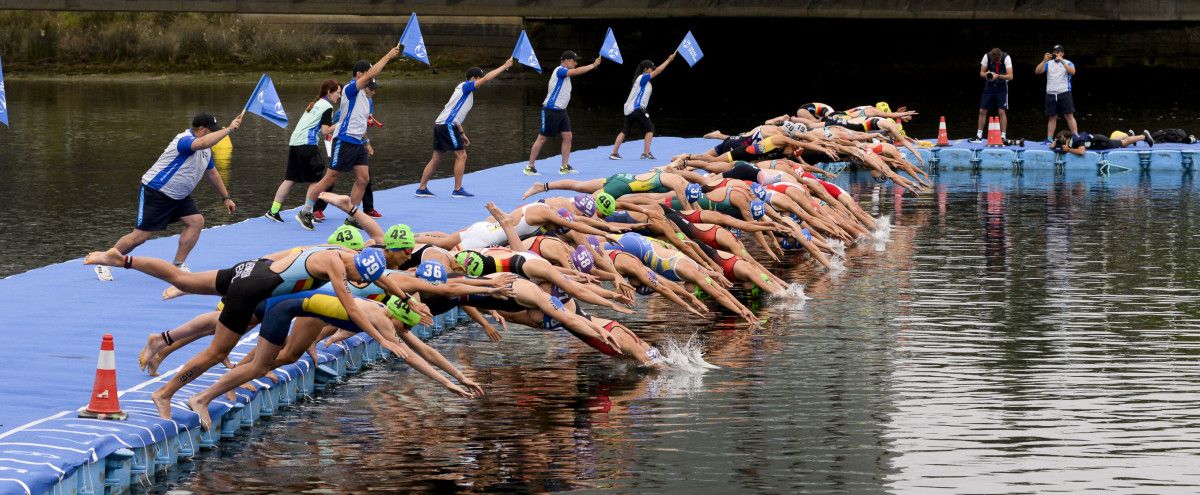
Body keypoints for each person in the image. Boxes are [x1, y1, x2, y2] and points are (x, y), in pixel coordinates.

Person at [92, 112, 241, 281]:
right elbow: (202, 143)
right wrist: (228, 129)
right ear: (200, 129)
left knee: (196, 221)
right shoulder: (184, 141)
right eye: (211, 130)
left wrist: (226, 197)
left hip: (180, 196)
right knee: (139, 237)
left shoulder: (206, 150)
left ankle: (178, 265)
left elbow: (213, 173)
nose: (214, 134)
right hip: (156, 192)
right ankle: (104, 261)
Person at [297, 47, 400, 230]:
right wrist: (388, 56)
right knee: (329, 178)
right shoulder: (351, 89)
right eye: (368, 79)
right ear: (359, 74)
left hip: (358, 142)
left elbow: (361, 122)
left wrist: (367, 142)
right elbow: (371, 74)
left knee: (363, 179)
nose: (372, 87)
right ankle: (306, 210)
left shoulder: (366, 99)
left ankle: (352, 218)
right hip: (344, 140)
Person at [415, 57, 515, 198]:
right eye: (478, 79)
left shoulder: (464, 91)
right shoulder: (466, 86)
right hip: (447, 125)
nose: (480, 82)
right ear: (473, 78)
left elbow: (455, 113)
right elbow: (487, 79)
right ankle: (457, 189)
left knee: (436, 158)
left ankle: (421, 188)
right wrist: (505, 66)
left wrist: (461, 133)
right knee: (462, 155)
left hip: (441, 124)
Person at [264, 80, 340, 222]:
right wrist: (340, 124)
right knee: (316, 180)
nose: (339, 96)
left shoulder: (315, 103)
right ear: (329, 92)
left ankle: (273, 211)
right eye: (338, 93)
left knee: (290, 179)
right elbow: (325, 131)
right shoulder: (327, 107)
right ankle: (307, 212)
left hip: (294, 142)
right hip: (307, 144)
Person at [525, 50, 602, 176]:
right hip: (550, 110)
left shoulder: (565, 73)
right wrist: (593, 65)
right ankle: (530, 166)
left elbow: (574, 72)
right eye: (574, 60)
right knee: (542, 138)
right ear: (566, 61)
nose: (576, 63)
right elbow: (576, 72)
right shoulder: (560, 70)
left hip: (561, 111)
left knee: (568, 136)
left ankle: (564, 167)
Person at [609, 52, 676, 160]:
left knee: (624, 131)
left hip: (630, 110)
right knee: (650, 129)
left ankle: (614, 153)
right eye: (651, 68)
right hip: (637, 109)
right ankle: (646, 153)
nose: (653, 70)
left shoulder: (640, 79)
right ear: (645, 69)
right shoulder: (643, 77)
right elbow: (658, 71)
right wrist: (669, 60)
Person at [1035, 44, 1078, 142]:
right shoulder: (1048, 63)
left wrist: (1062, 61)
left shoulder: (1068, 63)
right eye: (1054, 52)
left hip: (1064, 92)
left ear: (1062, 53)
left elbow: (1072, 72)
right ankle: (1049, 138)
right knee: (1052, 117)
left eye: (1058, 52)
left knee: (1069, 116)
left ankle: (1076, 136)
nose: (1055, 54)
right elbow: (1037, 71)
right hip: (1051, 93)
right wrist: (1044, 60)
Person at [973, 47, 1013, 143]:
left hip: (1002, 86)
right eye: (995, 61)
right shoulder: (986, 56)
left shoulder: (1006, 57)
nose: (997, 62)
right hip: (989, 86)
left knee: (1001, 111)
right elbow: (981, 73)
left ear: (1000, 56)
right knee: (982, 110)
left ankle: (1003, 136)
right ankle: (978, 136)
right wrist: (987, 74)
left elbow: (1011, 76)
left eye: (998, 60)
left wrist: (998, 75)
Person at [1051, 129, 1152, 155]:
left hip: (1101, 142)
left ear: (1068, 138)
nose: (1062, 143)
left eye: (1063, 140)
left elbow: (1081, 152)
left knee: (1123, 143)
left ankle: (1144, 136)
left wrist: (1069, 150)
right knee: (1117, 141)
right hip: (1097, 139)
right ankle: (1130, 135)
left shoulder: (1078, 140)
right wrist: (1055, 142)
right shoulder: (1070, 139)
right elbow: (1052, 147)